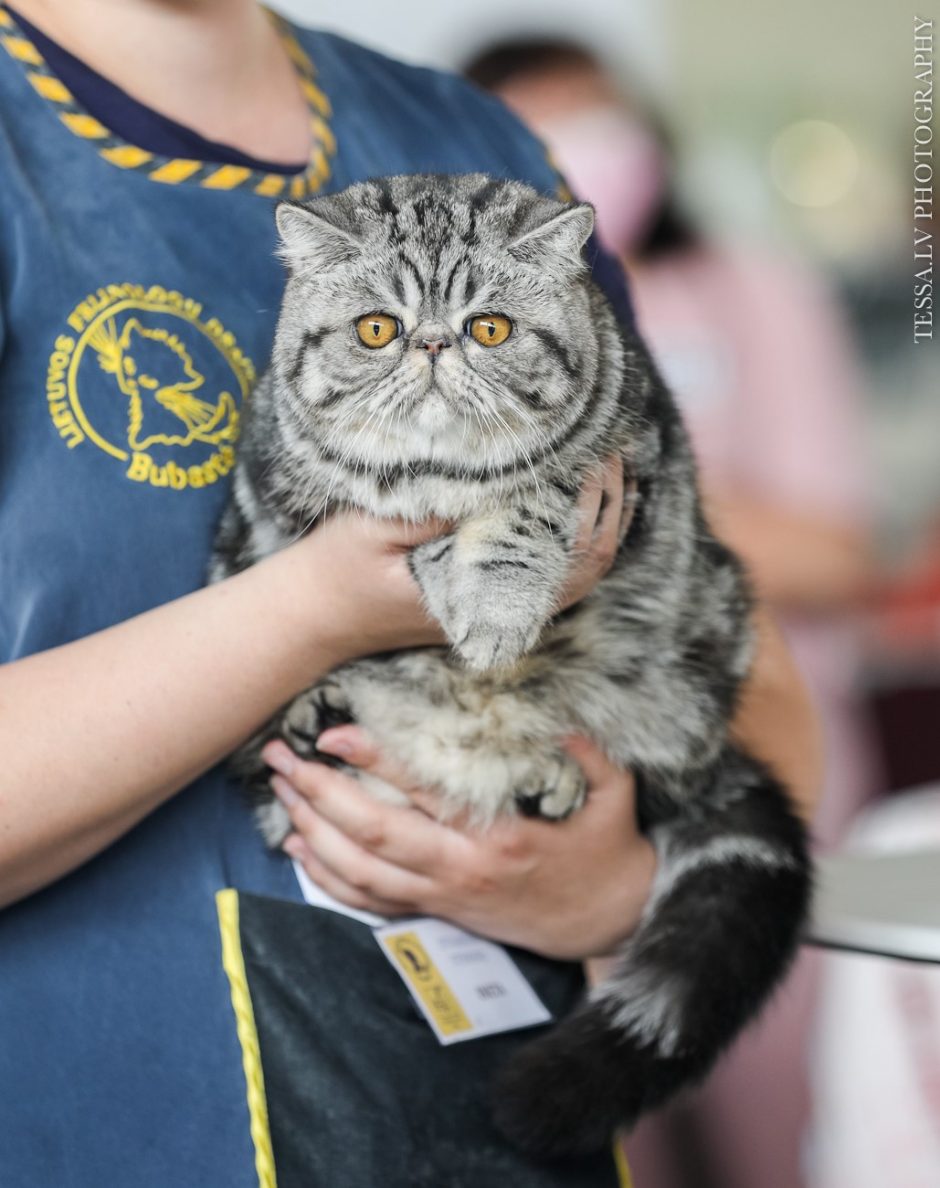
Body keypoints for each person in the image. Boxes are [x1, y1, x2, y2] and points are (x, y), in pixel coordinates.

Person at [0, 3, 820, 1185]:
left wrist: (619, 889)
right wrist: (315, 610)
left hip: (492, 1115)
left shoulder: (475, 141)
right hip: (93, 1118)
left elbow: (741, 658)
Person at [465, 37, 872, 1188]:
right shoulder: (464, 337)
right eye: (540, 136)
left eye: (599, 127)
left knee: (790, 1132)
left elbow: (835, 551)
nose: (585, 166)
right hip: (550, 814)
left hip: (769, 780)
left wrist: (612, 475)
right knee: (601, 1137)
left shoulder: (749, 289)